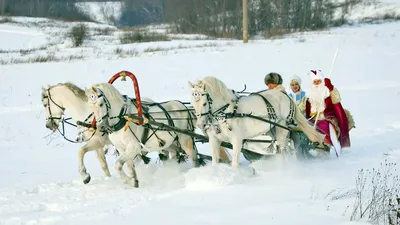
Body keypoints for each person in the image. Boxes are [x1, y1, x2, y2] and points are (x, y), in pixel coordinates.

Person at [305, 69, 353, 152]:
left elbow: (337, 100)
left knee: (323, 125)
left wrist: (330, 88)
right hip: (313, 120)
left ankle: (328, 146)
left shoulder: (328, 93)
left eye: (318, 81)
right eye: (314, 82)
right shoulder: (309, 98)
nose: (316, 84)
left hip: (328, 119)